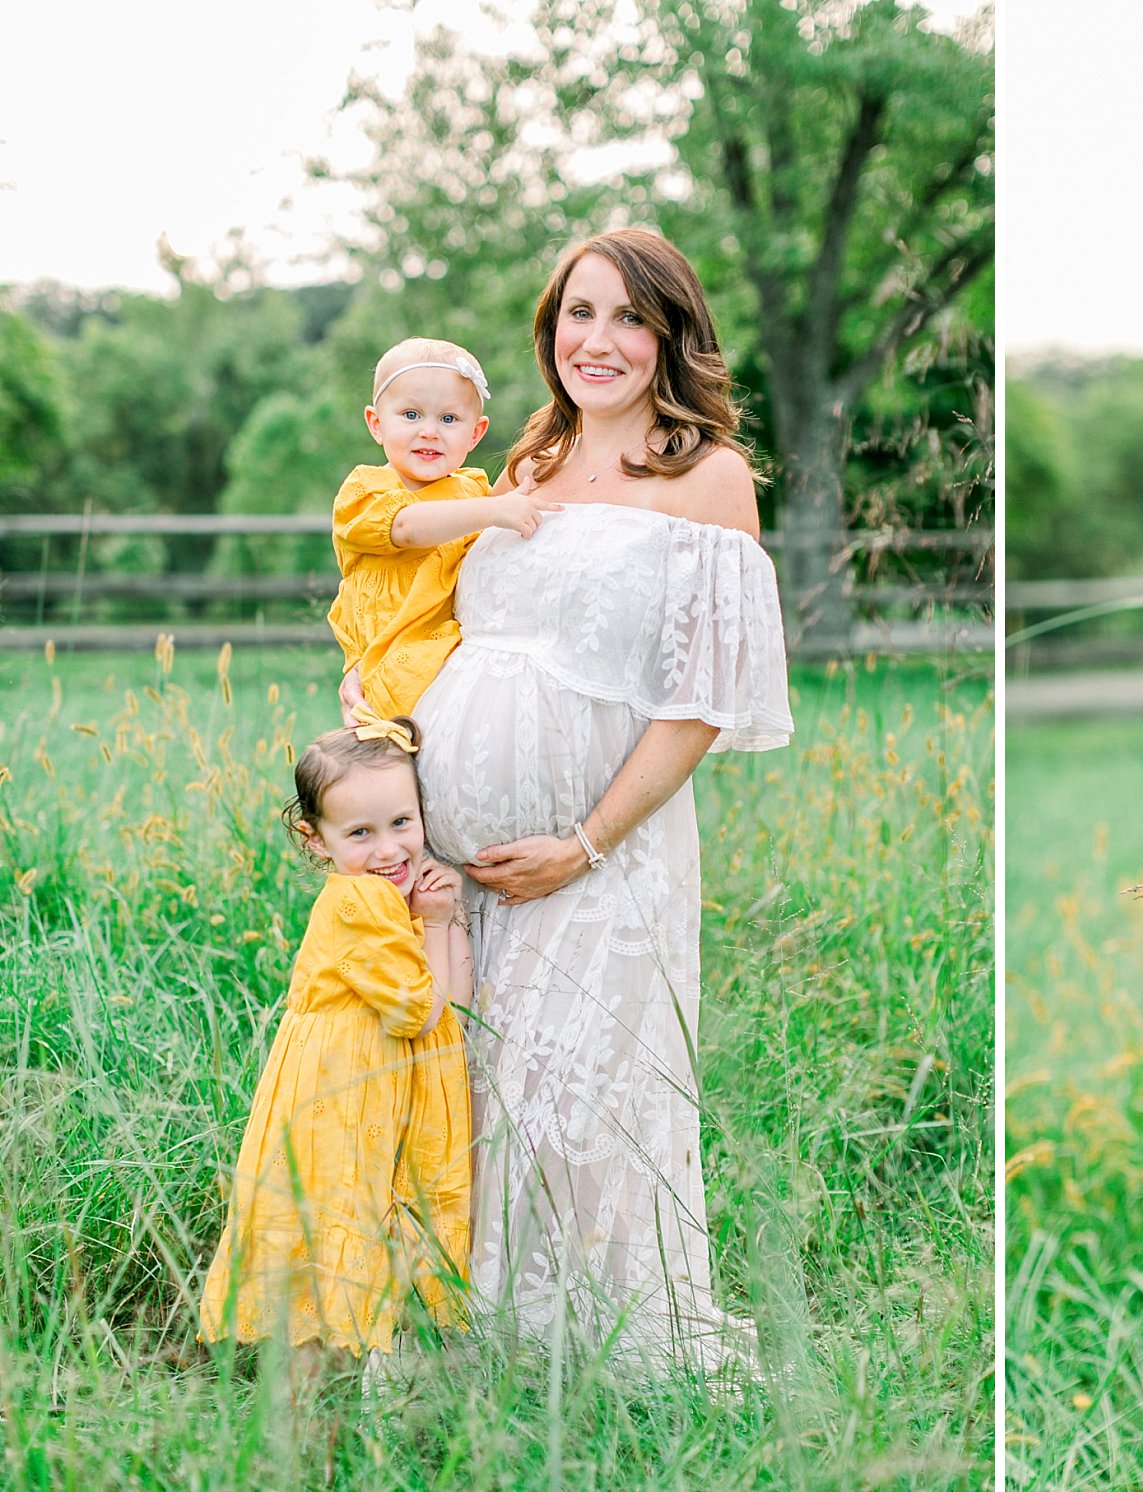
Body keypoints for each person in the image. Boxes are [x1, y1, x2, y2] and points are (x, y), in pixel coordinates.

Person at [407, 228, 793, 1366]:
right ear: (550, 329)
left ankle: (616, 1352)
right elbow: (448, 625)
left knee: (576, 1095)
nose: (599, 341)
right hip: (456, 867)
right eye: (579, 313)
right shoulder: (520, 465)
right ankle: (481, 1333)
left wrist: (581, 842)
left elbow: (701, 701)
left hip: (601, 855)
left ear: (670, 335)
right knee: (474, 1089)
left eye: (629, 317)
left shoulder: (706, 477)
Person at [199, 715, 473, 1382]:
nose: (389, 849)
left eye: (402, 823)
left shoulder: (384, 896)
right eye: (360, 833)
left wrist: (440, 922)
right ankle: (306, 1384)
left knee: (360, 1211)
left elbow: (456, 1002)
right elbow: (419, 1008)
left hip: (372, 1085)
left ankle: (370, 1366)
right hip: (342, 1089)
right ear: (313, 838)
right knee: (334, 1212)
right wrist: (435, 921)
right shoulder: (360, 904)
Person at [328, 336, 561, 720]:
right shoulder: (365, 491)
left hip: (458, 655)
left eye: (449, 419)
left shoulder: (472, 488)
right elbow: (406, 527)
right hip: (394, 664)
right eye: (411, 415)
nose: (430, 432)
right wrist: (493, 509)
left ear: (476, 433)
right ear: (376, 424)